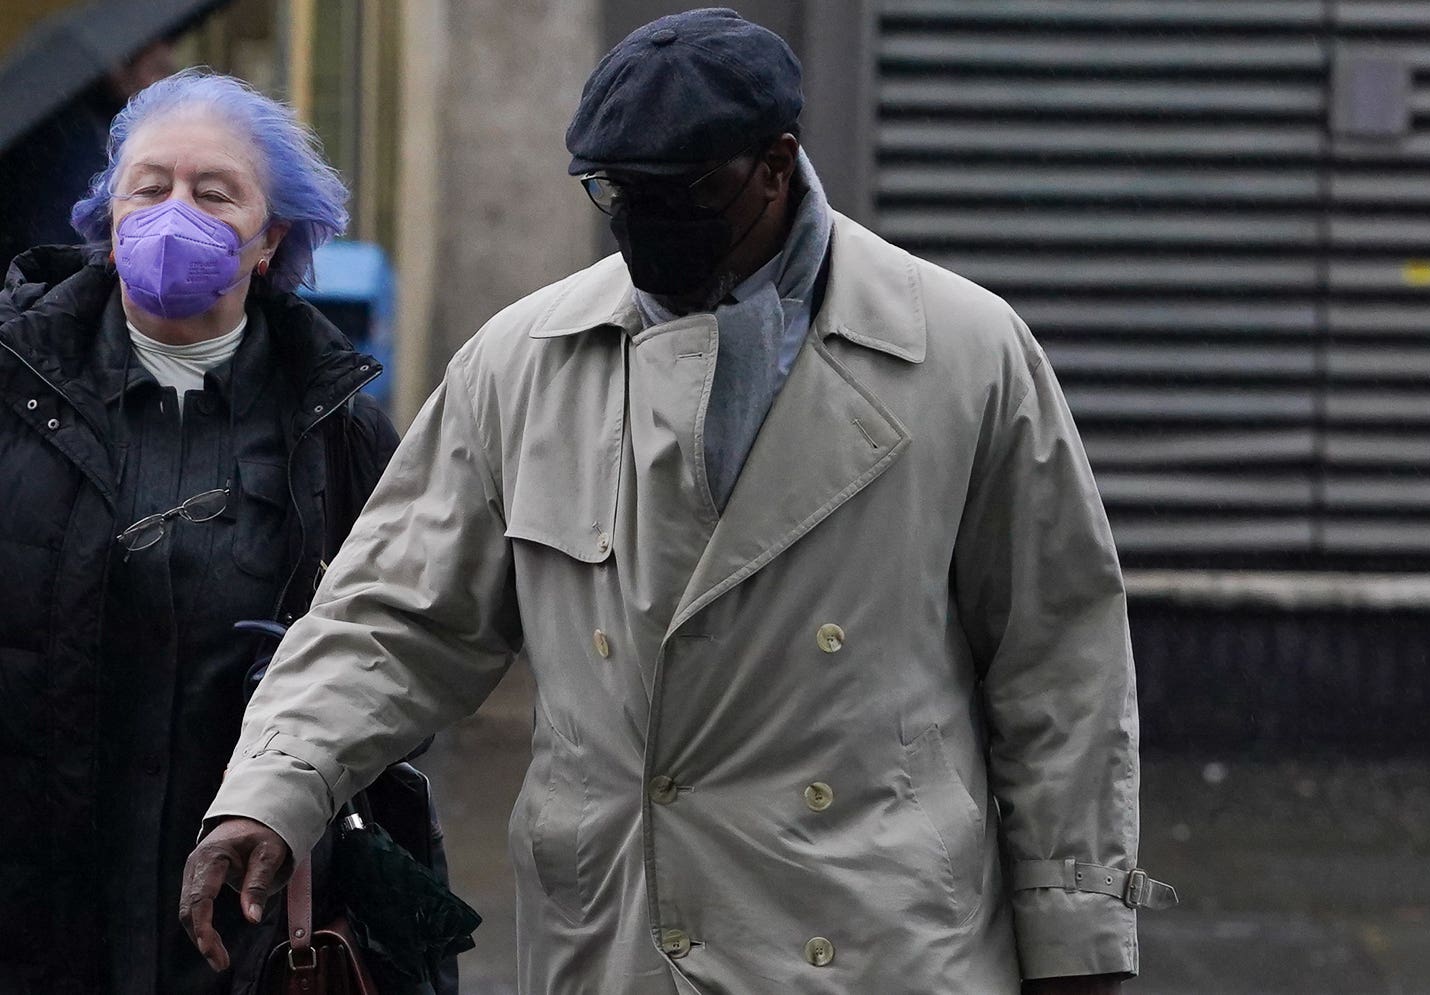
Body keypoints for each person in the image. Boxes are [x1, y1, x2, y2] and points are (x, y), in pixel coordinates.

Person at [183, 9, 1176, 994]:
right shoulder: (523, 363)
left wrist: (1075, 937)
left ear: (774, 165)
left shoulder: (962, 351)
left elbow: (1056, 664)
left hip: (880, 943)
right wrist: (272, 791)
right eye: (614, 190)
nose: (639, 220)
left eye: (681, 191)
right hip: (620, 938)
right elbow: (390, 616)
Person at [0, 70, 399, 994]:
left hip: (242, 922)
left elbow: (399, 649)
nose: (173, 213)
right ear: (108, 217)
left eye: (214, 193)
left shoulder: (335, 429)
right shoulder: (15, 392)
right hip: (33, 914)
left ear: (270, 241)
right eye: (149, 188)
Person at [0, 40, 178, 272]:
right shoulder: (75, 132)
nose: (162, 87)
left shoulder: (108, 122)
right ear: (118, 69)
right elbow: (66, 236)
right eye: (157, 71)